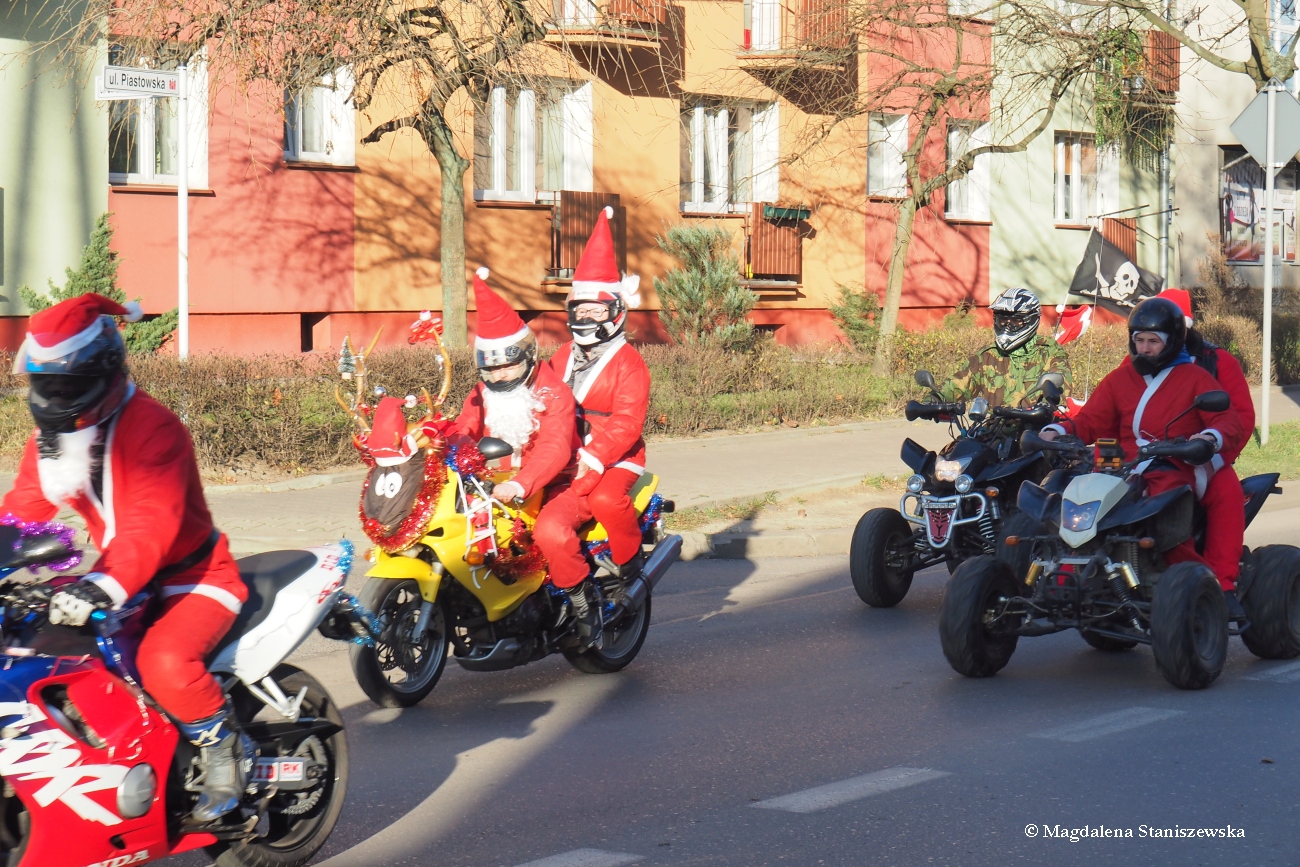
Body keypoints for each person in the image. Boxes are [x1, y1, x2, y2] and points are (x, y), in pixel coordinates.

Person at [1, 293, 250, 823]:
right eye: (48, 384)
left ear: (105, 371)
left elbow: (149, 527)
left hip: (192, 575)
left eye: (68, 382)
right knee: (43, 652)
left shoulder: (154, 429)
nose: (57, 394)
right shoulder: (50, 441)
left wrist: (97, 586)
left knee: (163, 663)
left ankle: (223, 750)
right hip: (118, 576)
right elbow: (21, 512)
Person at [1038, 297, 1245, 599]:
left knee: (1169, 509)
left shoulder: (1196, 377)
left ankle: (1199, 581)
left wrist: (1209, 438)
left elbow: (1228, 420)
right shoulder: (1120, 379)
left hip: (1176, 461)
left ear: (1172, 341)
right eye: (1139, 340)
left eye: (1153, 341)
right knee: (1073, 496)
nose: (1144, 349)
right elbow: (1091, 420)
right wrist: (1057, 431)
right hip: (1122, 464)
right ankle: (1065, 575)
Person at [534, 208, 651, 646]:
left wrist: (595, 454)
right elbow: (537, 399)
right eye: (578, 307)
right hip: (559, 455)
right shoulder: (561, 356)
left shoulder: (629, 363)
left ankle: (626, 568)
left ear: (615, 310)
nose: (585, 315)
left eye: (594, 307)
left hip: (613, 457)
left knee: (604, 499)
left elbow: (627, 421)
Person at [448, 270, 587, 628]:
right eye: (490, 368)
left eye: (507, 365)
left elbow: (555, 448)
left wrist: (521, 483)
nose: (498, 376)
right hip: (492, 485)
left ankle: (580, 608)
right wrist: (439, 447)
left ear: (527, 355)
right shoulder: (483, 393)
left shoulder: (554, 393)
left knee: (549, 534)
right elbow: (464, 428)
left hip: (554, 483)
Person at [1157, 288, 1255, 615]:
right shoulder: (1138, 363)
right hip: (1147, 456)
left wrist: (1213, 457)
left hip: (1203, 455)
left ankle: (1222, 581)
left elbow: (1241, 418)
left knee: (1226, 493)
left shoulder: (1218, 361)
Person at [940, 287, 1072, 408]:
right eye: (1002, 320)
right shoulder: (988, 355)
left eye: (1015, 320)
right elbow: (960, 383)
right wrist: (935, 399)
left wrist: (1048, 405)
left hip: (1034, 429)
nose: (1007, 326)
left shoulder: (1049, 351)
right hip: (993, 429)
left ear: (1031, 320)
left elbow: (1060, 385)